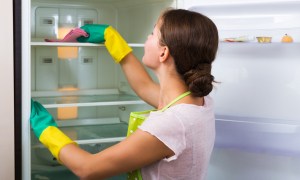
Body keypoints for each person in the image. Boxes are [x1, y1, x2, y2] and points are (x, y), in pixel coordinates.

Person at [30, 8, 219, 180]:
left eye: (153, 33)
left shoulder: (171, 124)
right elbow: (144, 86)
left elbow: (88, 168)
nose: (148, 36)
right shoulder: (197, 102)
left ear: (163, 53)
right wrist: (112, 39)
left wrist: (46, 129)